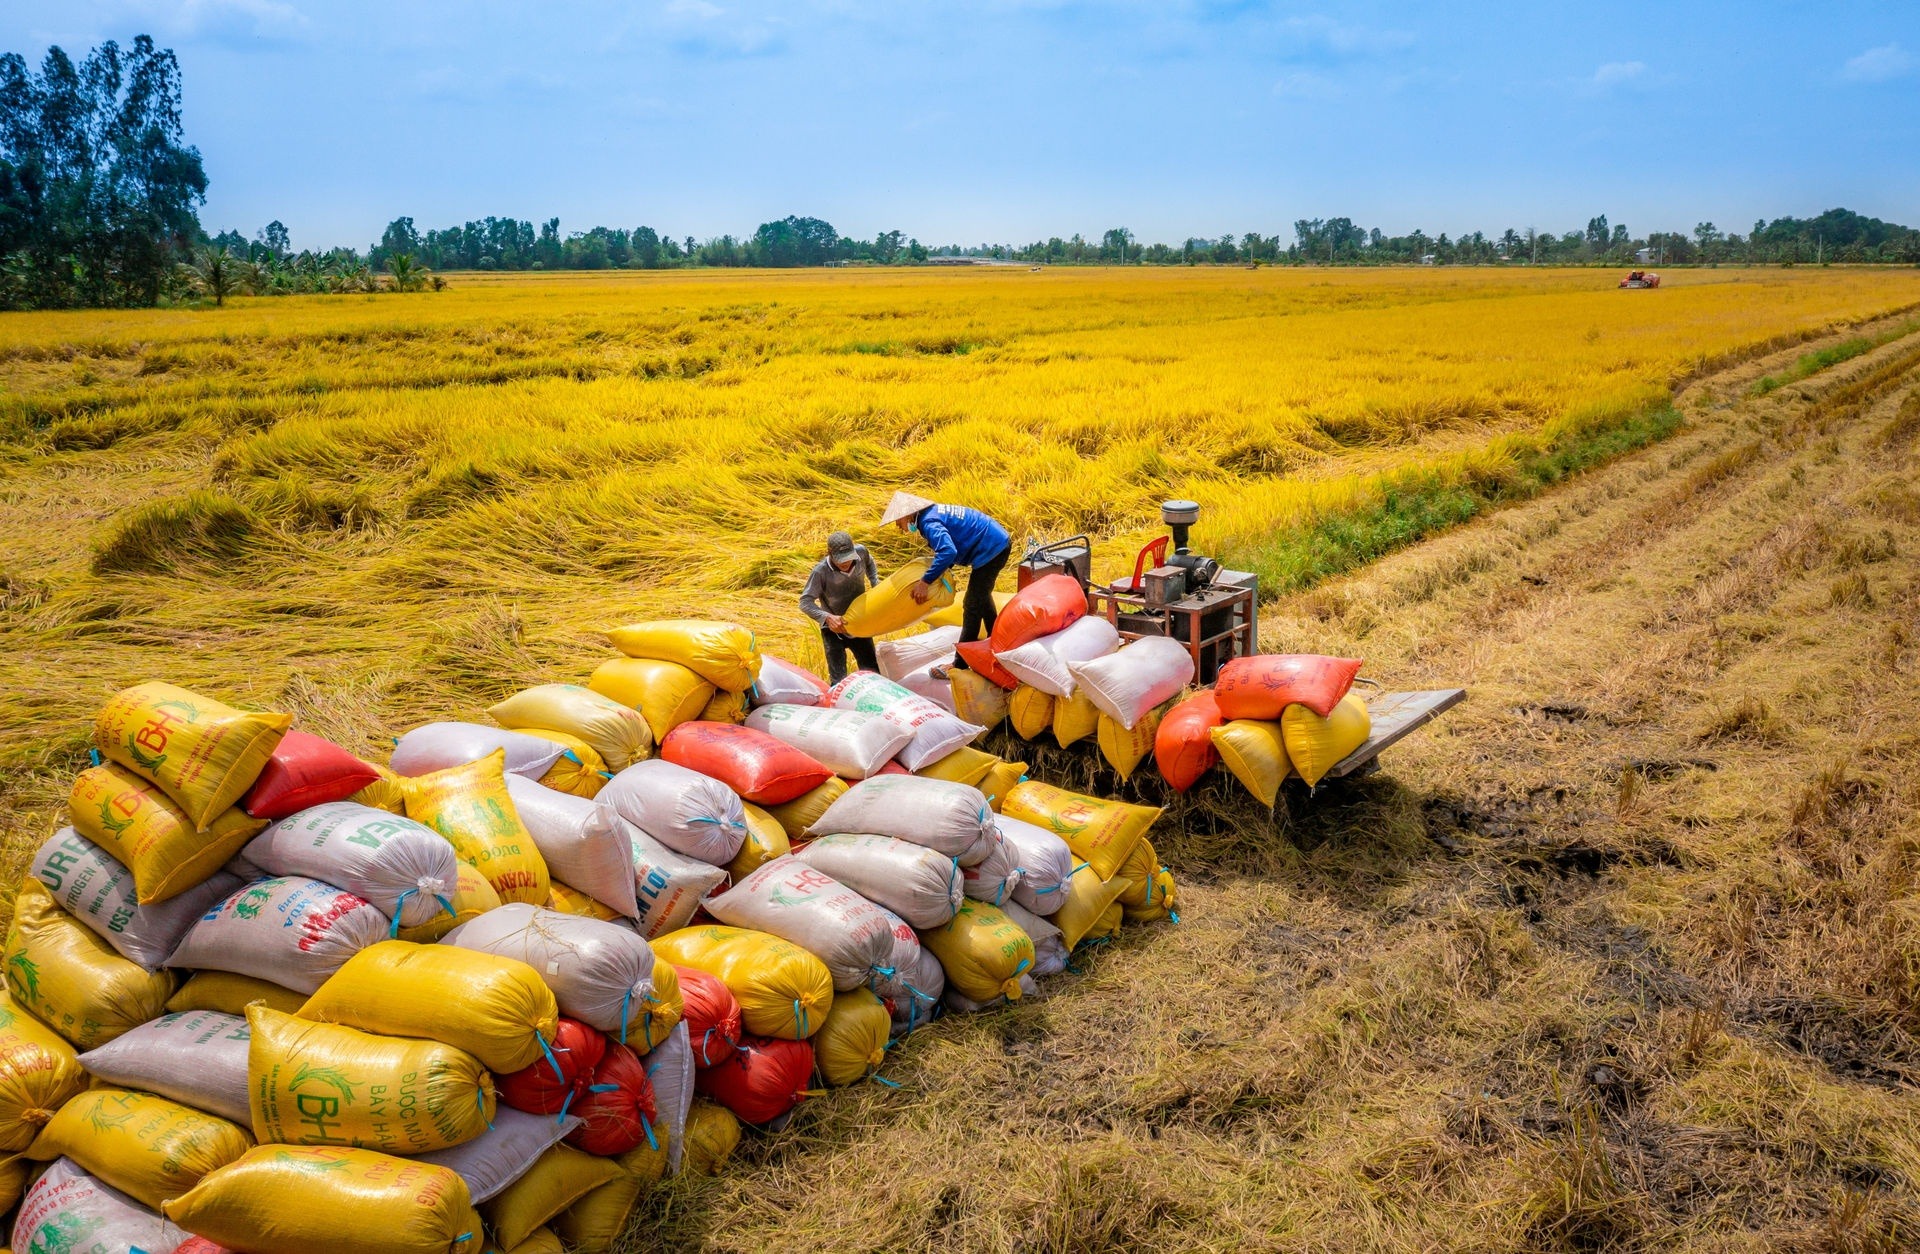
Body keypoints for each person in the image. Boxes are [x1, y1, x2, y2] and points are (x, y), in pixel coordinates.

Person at [878, 491, 1011, 676]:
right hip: (995, 541)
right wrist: (938, 573)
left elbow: (948, 551)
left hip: (992, 549)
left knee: (972, 605)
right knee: (980, 596)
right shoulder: (931, 514)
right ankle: (997, 641)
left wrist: (925, 582)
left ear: (906, 514)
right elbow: (949, 551)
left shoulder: (928, 522)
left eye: (897, 522)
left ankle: (959, 664)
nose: (898, 527)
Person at [800, 530, 880, 684]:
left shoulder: (861, 552)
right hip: (833, 629)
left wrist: (874, 582)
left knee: (872, 671)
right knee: (838, 680)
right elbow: (805, 602)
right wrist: (827, 617)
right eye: (840, 560)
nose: (846, 563)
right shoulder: (821, 571)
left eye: (848, 558)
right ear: (829, 553)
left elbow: (870, 563)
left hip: (859, 622)